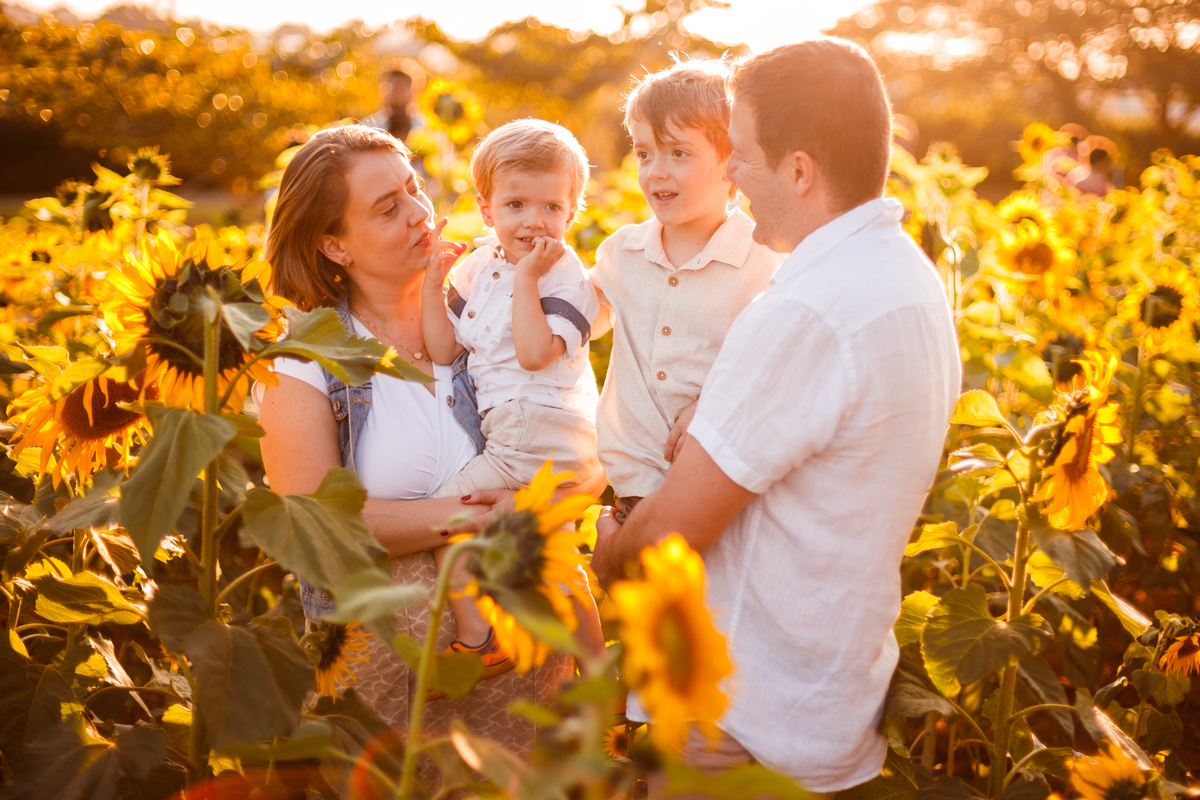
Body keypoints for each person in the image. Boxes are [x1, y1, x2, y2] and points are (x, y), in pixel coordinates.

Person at [592, 39, 961, 794]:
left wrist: (606, 551)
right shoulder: (907, 279)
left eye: (746, 155)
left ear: (799, 170)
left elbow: (670, 535)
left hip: (737, 717)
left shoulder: (805, 308)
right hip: (823, 694)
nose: (729, 172)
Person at [257, 124, 604, 784]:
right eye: (388, 208)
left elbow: (573, 445)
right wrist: (480, 515)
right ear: (334, 244)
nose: (419, 212)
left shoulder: (485, 312)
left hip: (532, 690)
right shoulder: (304, 362)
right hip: (397, 705)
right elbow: (313, 528)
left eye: (414, 188)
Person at [421, 119, 604, 674]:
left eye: (552, 207)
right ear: (487, 209)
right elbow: (443, 346)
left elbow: (533, 353)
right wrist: (433, 282)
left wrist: (528, 278)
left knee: (444, 517)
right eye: (516, 204)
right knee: (557, 556)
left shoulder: (567, 276)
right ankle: (600, 671)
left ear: (573, 213)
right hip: (530, 430)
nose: (533, 221)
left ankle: (479, 637)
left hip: (534, 428)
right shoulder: (477, 266)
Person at [587, 58, 783, 523]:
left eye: (678, 153)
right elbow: (576, 326)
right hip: (631, 491)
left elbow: (775, 368)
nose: (655, 171)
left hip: (717, 496)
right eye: (643, 153)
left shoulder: (763, 263)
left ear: (730, 162)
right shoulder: (623, 253)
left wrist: (714, 403)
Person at [363, 69, 421, 143]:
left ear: (412, 92)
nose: (396, 92)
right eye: (391, 87)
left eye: (401, 88)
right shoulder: (368, 127)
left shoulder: (424, 127)